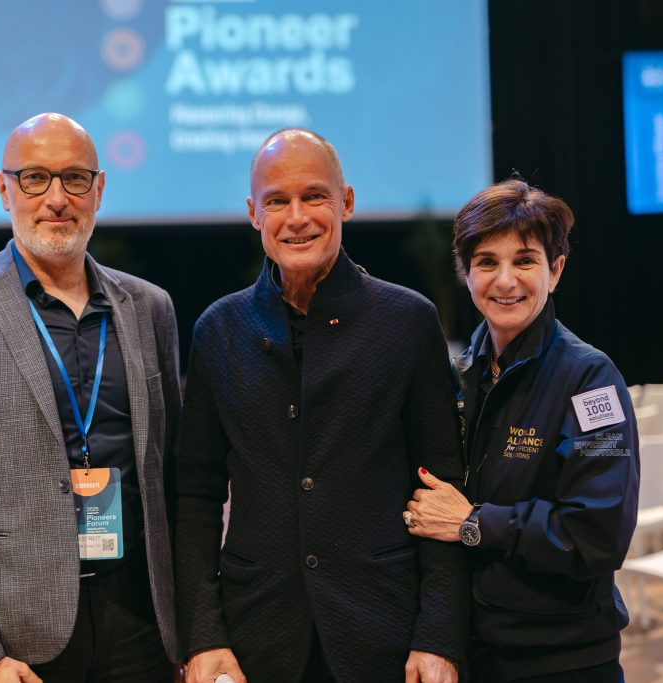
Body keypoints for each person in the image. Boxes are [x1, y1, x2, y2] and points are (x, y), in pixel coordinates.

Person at [0, 113, 181, 683]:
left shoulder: (150, 308)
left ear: (99, 190)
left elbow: (171, 477)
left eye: (74, 179)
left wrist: (186, 629)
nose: (56, 198)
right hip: (10, 640)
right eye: (34, 179)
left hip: (141, 625)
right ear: (4, 189)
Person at [175, 128, 468, 683]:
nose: (297, 216)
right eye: (277, 201)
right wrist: (204, 634)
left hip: (385, 631)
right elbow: (196, 496)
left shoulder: (408, 322)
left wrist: (439, 635)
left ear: (347, 203)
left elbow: (442, 489)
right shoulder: (219, 330)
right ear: (253, 214)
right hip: (254, 636)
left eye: (315, 196)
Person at [404, 179, 639, 682]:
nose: (505, 279)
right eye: (486, 262)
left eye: (525, 260)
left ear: (555, 271)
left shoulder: (590, 380)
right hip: (478, 651)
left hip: (564, 659)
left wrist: (474, 522)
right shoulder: (464, 372)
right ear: (466, 275)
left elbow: (597, 537)